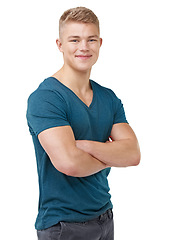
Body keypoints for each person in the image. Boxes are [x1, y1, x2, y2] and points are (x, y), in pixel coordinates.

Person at [26, 6, 140, 240]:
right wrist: (111, 155)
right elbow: (69, 163)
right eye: (74, 40)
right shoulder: (46, 97)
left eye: (91, 39)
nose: (83, 47)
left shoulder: (108, 97)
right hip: (63, 225)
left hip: (105, 217)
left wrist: (85, 146)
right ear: (59, 45)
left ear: (100, 42)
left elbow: (132, 154)